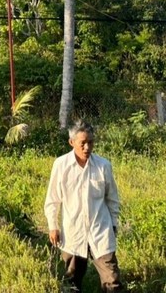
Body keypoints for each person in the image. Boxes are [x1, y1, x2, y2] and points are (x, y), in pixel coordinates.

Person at [44, 120, 122, 292]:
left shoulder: (103, 166)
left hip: (100, 231)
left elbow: (112, 199)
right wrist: (53, 226)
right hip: (73, 233)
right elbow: (52, 200)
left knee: (112, 281)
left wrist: (114, 224)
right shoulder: (61, 165)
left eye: (90, 142)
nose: (87, 147)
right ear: (72, 142)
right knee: (72, 281)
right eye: (82, 143)